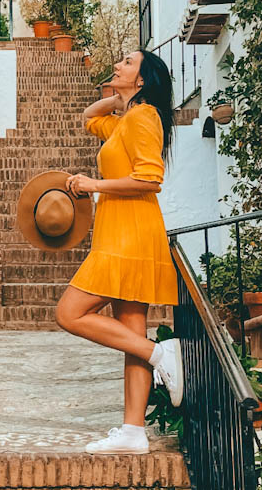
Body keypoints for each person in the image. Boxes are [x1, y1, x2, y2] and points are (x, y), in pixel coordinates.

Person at [55, 48, 183, 454]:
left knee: (69, 313)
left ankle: (162, 353)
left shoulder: (144, 118)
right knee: (129, 333)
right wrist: (117, 96)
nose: (118, 65)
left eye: (127, 63)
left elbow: (149, 178)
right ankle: (134, 432)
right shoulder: (126, 119)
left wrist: (94, 185)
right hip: (121, 231)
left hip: (131, 233)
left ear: (142, 80)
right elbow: (89, 118)